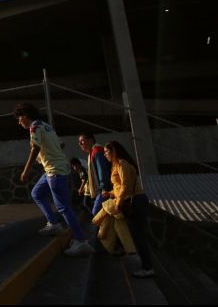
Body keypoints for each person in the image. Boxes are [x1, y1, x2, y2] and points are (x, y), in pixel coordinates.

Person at [14, 102, 94, 256]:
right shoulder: (46, 126)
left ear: (25, 116)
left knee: (64, 208)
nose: (19, 122)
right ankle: (54, 224)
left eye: (19, 118)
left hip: (55, 171)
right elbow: (61, 144)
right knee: (36, 193)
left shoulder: (34, 127)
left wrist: (26, 171)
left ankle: (81, 241)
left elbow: (35, 147)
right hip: (55, 169)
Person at [102, 140, 154, 278]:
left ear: (114, 151)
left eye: (107, 152)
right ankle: (146, 265)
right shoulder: (116, 165)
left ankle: (147, 268)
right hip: (133, 200)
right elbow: (120, 188)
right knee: (137, 235)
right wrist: (110, 193)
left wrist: (118, 203)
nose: (105, 155)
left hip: (134, 201)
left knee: (138, 236)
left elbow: (126, 186)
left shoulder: (122, 163)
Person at [79, 132, 112, 216]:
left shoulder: (97, 150)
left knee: (96, 213)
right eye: (79, 142)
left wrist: (103, 188)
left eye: (82, 141)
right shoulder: (92, 152)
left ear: (90, 140)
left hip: (104, 190)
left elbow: (102, 170)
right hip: (101, 190)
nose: (80, 144)